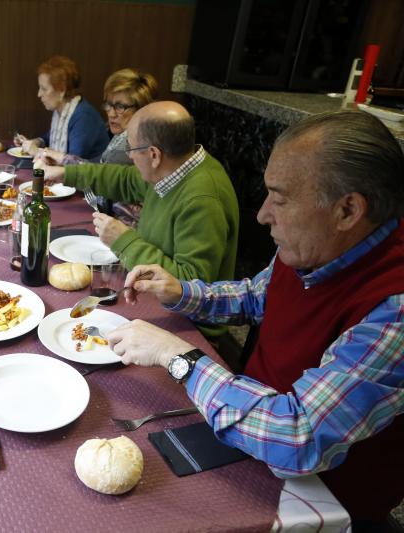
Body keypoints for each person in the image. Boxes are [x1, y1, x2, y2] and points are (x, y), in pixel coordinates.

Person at [107, 110, 404, 530]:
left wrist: (179, 358)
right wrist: (182, 292)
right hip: (248, 428)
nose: (263, 215)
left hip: (323, 499)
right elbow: (259, 294)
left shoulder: (394, 306)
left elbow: (299, 435)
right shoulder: (314, 244)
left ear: (347, 210)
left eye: (279, 199)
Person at [60, 101, 238, 338]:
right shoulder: (174, 166)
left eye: (132, 150)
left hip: (188, 327)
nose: (130, 157)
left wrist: (124, 240)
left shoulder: (202, 200)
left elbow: (190, 286)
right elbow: (124, 179)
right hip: (150, 295)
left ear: (154, 154)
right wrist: (66, 173)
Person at [35, 67, 159, 225]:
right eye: (109, 105)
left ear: (142, 109)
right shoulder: (122, 135)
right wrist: (61, 160)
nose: (111, 113)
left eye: (120, 107)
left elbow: (101, 182)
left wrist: (63, 168)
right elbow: (101, 171)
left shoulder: (131, 146)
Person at [14, 55, 109, 161]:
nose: (39, 94)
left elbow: (73, 162)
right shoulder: (62, 109)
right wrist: (35, 142)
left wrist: (38, 151)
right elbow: (49, 137)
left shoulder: (83, 116)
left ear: (62, 90)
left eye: (44, 89)